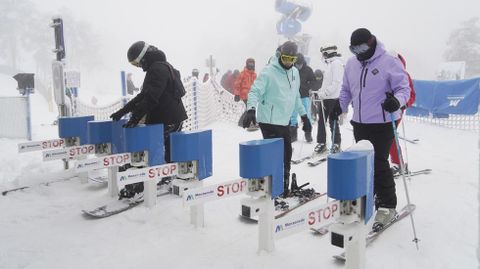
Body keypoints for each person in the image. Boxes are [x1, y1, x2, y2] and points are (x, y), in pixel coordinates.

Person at [336, 28, 410, 229]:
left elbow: (404, 88)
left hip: (384, 121)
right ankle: (369, 195)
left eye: (361, 47)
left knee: (378, 162)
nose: (358, 53)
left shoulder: (389, 61)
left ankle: (387, 205)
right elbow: (346, 90)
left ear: (371, 42)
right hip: (360, 122)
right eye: (353, 49)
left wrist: (397, 100)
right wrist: (340, 105)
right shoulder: (351, 64)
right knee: (362, 162)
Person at [110, 41, 188, 199]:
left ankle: (140, 184)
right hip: (171, 117)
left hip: (168, 118)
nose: (138, 66)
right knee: (166, 149)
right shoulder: (161, 66)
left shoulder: (157, 69)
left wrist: (135, 117)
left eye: (137, 63)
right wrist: (123, 111)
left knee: (149, 149)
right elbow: (143, 95)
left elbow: (151, 98)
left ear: (143, 57)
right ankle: (166, 177)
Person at [242, 41, 312, 197]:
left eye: (292, 59)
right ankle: (271, 189)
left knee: (287, 154)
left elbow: (296, 97)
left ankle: (283, 187)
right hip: (269, 120)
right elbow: (254, 92)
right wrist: (251, 109)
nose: (288, 62)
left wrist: (305, 116)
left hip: (284, 121)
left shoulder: (294, 73)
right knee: (274, 157)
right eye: (286, 58)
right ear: (280, 55)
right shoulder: (268, 72)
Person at [389, 53, 416, 175]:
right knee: (385, 136)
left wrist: (404, 104)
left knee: (390, 135)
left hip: (397, 110)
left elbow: (412, 95)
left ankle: (398, 163)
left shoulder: (404, 75)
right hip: (383, 111)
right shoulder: (385, 73)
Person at [313, 45, 344, 154]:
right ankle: (321, 142)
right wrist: (319, 92)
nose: (322, 56)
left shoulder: (337, 64)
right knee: (321, 121)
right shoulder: (329, 64)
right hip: (325, 98)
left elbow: (336, 83)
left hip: (333, 98)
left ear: (328, 53)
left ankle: (336, 143)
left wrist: (324, 93)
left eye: (323, 53)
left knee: (333, 120)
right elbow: (326, 83)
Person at [289, 53, 315, 143]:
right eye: (297, 64)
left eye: (300, 64)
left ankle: (308, 133)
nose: (298, 66)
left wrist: (309, 87)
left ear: (303, 62)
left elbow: (313, 80)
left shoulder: (308, 70)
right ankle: (293, 135)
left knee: (307, 115)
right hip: (294, 97)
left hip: (304, 96)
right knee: (292, 115)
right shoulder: (291, 69)